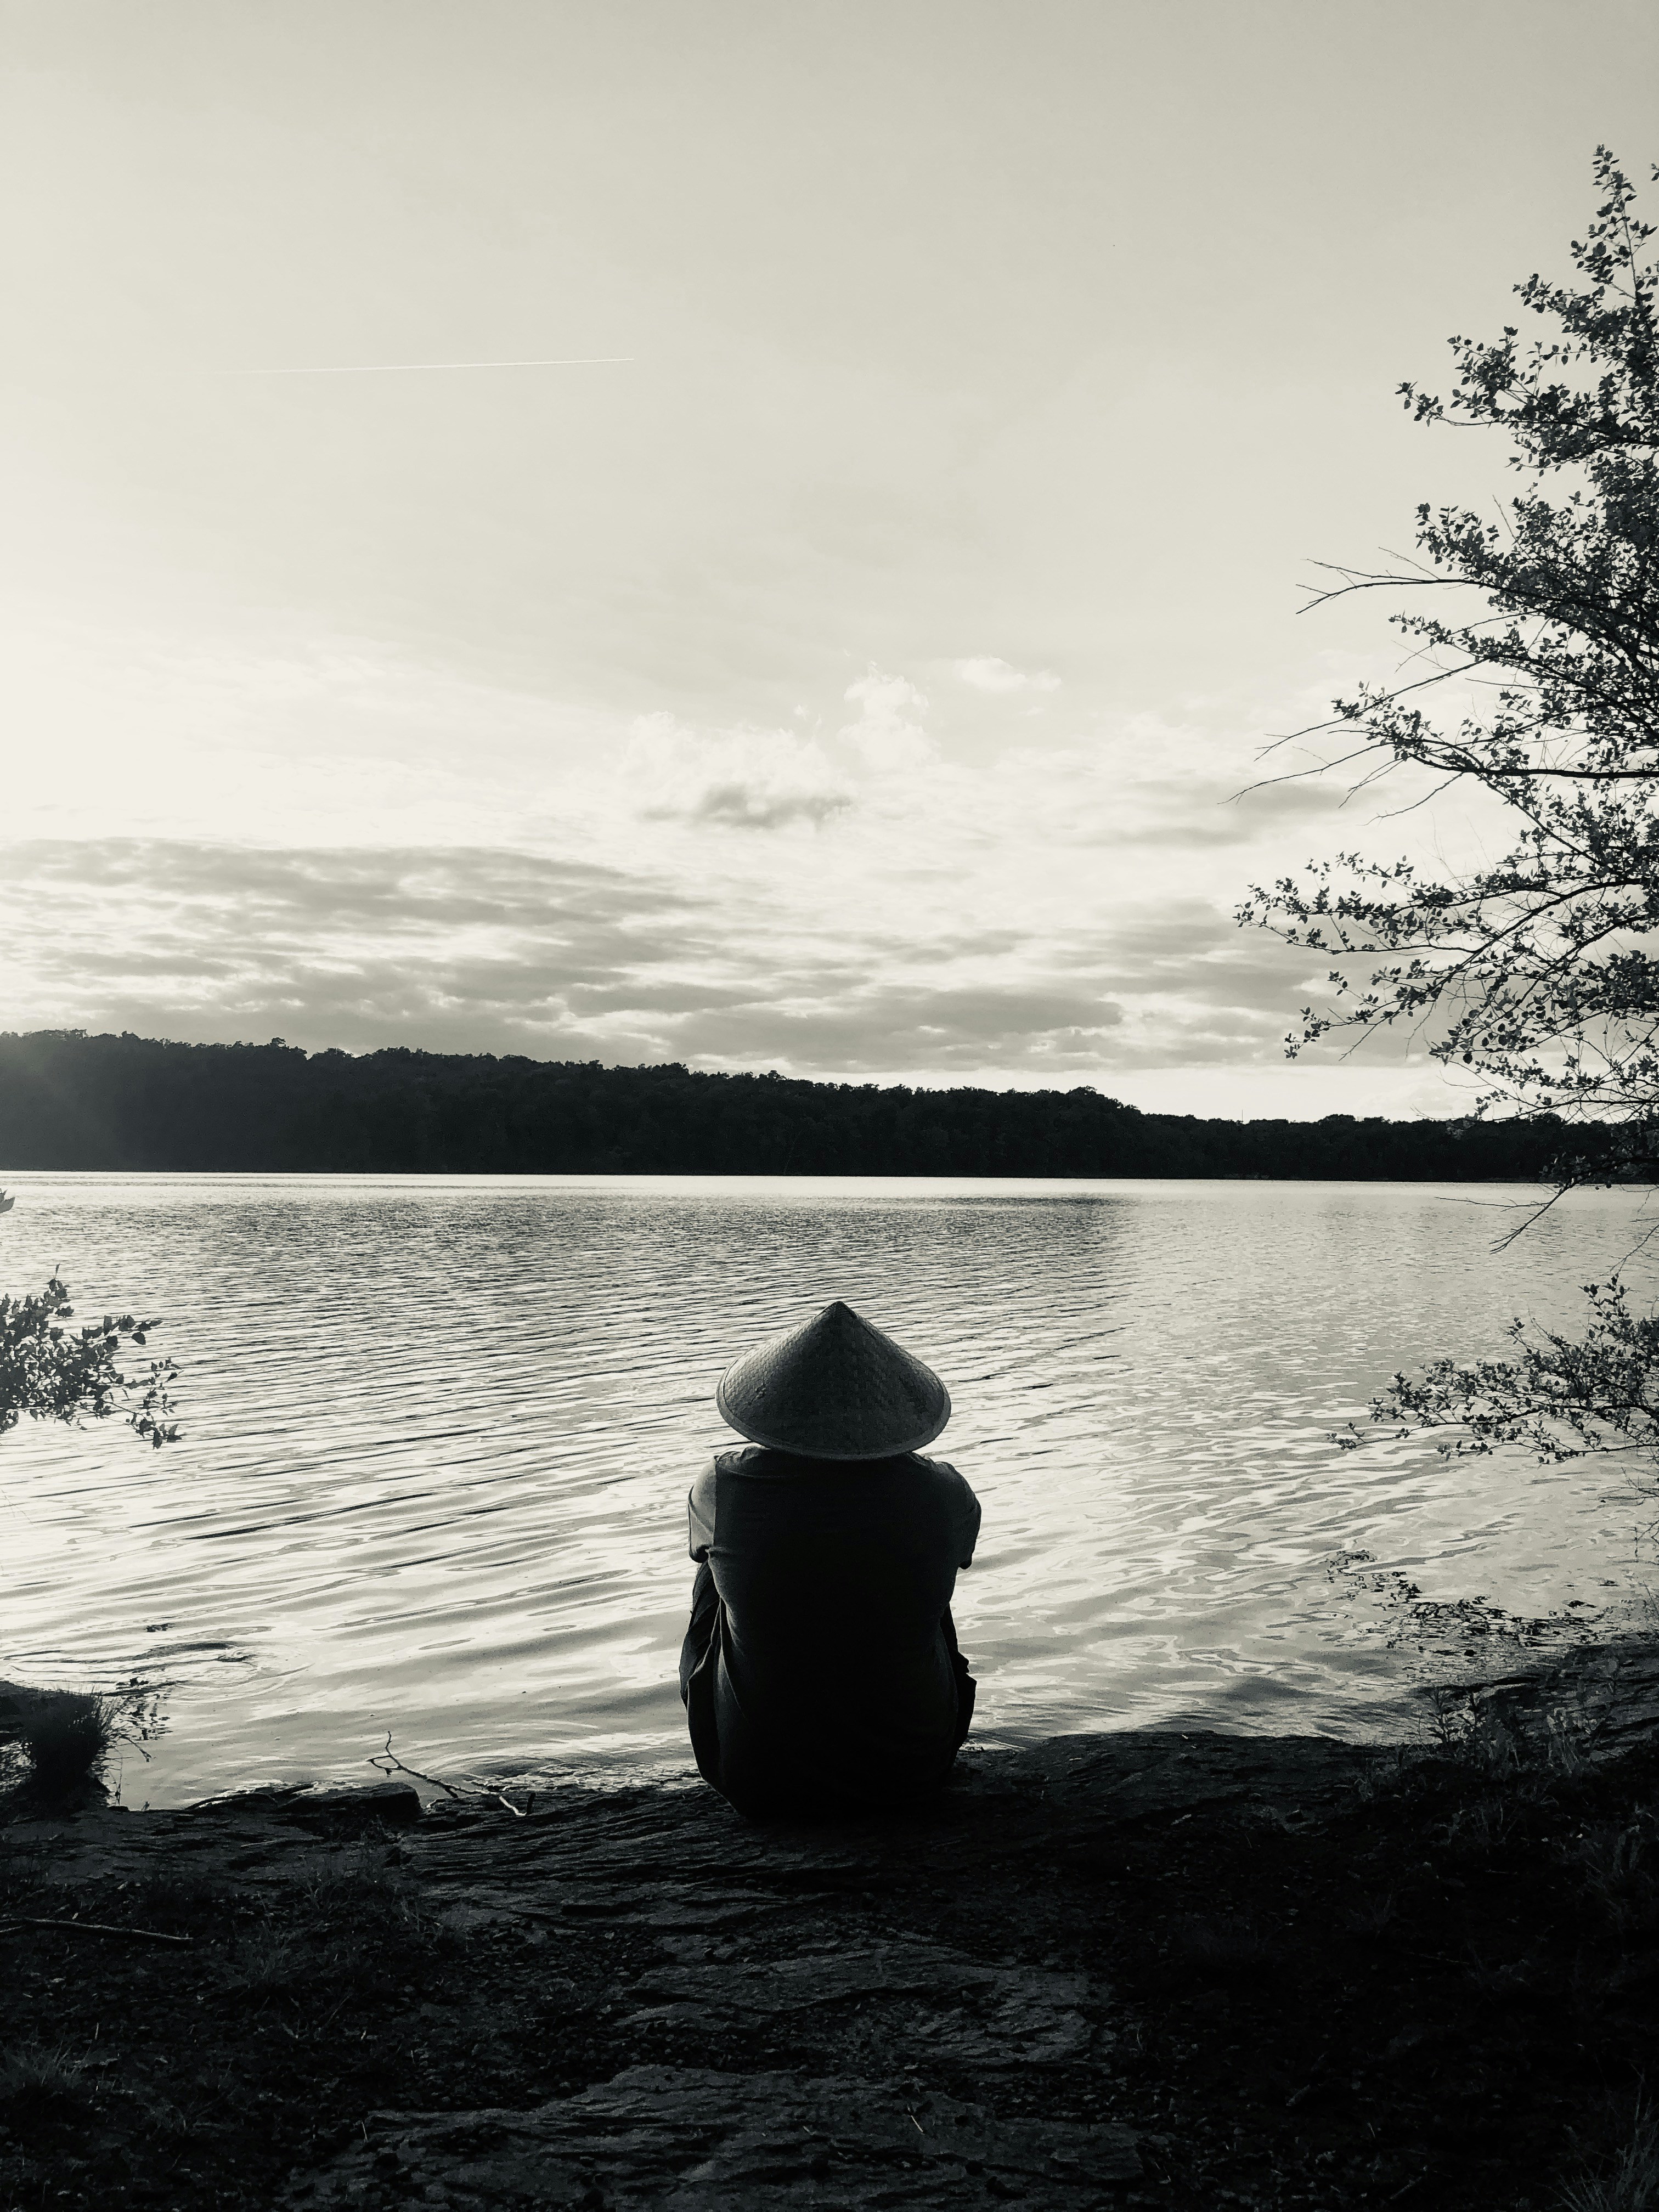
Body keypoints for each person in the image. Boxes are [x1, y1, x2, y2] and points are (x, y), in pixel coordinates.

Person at [678, 1299, 981, 1820]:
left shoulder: (722, 1486)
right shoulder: (945, 1493)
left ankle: (762, 1731)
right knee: (924, 1568)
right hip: (914, 1773)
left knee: (712, 1570)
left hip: (759, 1783)